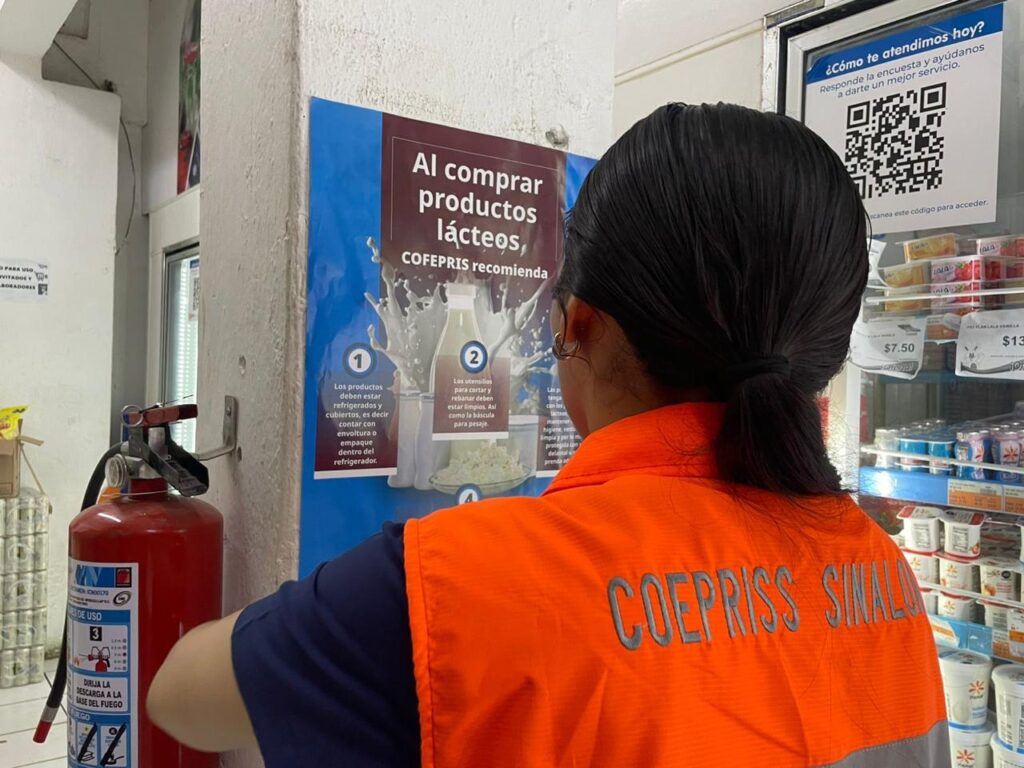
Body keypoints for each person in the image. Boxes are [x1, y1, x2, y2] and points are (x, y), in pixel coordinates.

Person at [147, 103, 948, 767]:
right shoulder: (885, 577)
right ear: (822, 357)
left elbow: (179, 694)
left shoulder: (463, 585)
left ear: (578, 327)